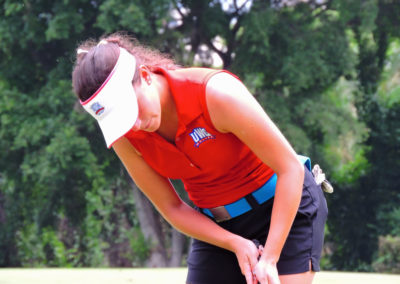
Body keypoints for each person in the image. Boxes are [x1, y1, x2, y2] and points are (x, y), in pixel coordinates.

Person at [72, 33, 328, 284]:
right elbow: (172, 208)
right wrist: (235, 243)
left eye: (132, 109)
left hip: (284, 208)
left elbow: (290, 169)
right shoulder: (125, 135)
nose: (136, 124)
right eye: (123, 119)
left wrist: (270, 258)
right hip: (218, 228)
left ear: (146, 76)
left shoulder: (214, 93)